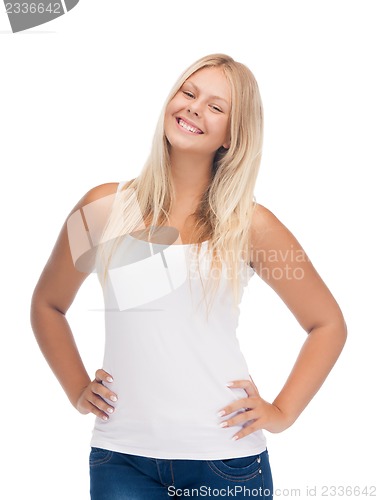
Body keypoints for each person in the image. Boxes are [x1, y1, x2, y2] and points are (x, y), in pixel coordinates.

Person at [30, 53, 347, 499]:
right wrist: (77, 389)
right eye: (189, 92)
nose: (195, 108)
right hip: (121, 459)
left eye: (216, 107)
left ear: (233, 135)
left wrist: (282, 412)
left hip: (225, 462)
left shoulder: (250, 226)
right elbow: (48, 304)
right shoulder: (103, 208)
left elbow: (327, 324)